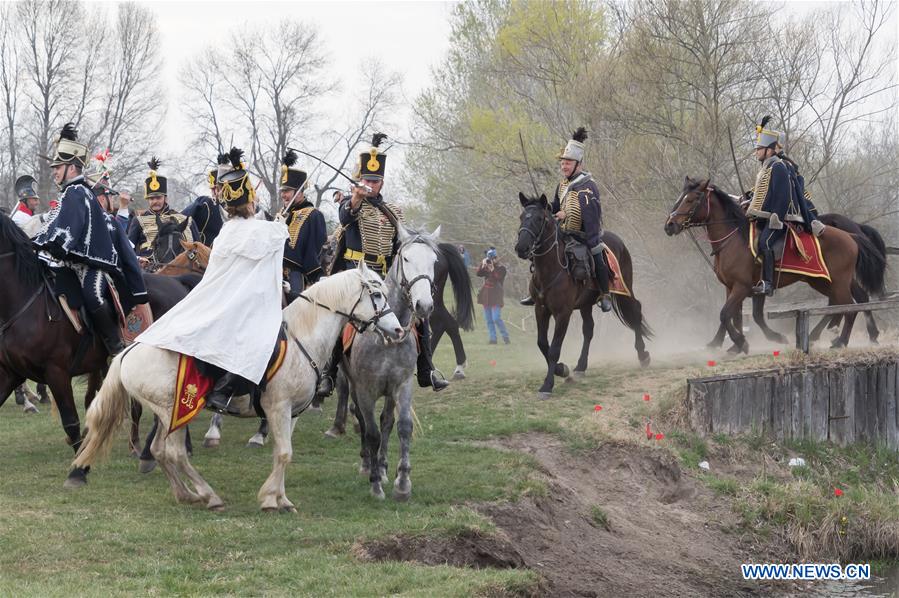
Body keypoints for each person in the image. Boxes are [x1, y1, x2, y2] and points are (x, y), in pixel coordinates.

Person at [136, 147, 289, 414]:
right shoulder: (262, 230)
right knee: (271, 338)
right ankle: (226, 389)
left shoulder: (227, 231)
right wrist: (279, 222)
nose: (156, 200)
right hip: (245, 302)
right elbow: (274, 237)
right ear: (250, 201)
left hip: (220, 298)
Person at [315, 132, 448, 397]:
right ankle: (329, 375)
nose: (371, 184)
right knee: (341, 320)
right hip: (355, 274)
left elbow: (401, 247)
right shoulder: (351, 204)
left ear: (381, 182)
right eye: (366, 180)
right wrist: (355, 198)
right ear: (359, 180)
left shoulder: (394, 212)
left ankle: (426, 368)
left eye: (375, 181)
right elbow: (344, 218)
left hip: (386, 276)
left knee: (419, 317)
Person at [33, 122, 148, 355]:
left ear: (73, 168)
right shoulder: (69, 193)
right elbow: (54, 224)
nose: (54, 171)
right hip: (70, 262)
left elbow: (69, 228)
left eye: (59, 166)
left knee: (93, 295)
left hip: (92, 264)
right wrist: (36, 243)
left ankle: (114, 345)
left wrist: (56, 244)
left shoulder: (78, 192)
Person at [520, 127, 611, 312]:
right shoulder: (562, 184)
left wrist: (567, 214)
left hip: (584, 234)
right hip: (563, 232)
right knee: (539, 250)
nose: (564, 166)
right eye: (562, 163)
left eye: (568, 163)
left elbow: (592, 214)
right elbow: (555, 204)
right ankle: (536, 290)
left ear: (579, 164)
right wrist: (543, 209)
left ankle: (605, 293)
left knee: (597, 253)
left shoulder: (588, 187)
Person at [746, 116, 822, 296]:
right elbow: (763, 193)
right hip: (767, 216)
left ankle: (768, 284)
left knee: (765, 242)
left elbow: (782, 196)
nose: (756, 152)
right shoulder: (766, 168)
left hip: (780, 218)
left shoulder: (778, 167)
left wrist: (775, 218)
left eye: (759, 148)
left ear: (769, 150)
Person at [278, 149, 326, 302]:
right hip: (274, 270)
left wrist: (314, 276)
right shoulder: (281, 214)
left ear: (299, 192)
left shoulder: (313, 215)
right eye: (282, 191)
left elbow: (314, 250)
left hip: (296, 274)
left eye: (287, 191)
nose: (283, 195)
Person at [127, 157, 199, 258]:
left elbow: (198, 247)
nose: (155, 201)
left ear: (165, 198)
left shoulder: (185, 219)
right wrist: (139, 259)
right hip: (148, 267)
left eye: (158, 197)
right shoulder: (138, 220)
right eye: (151, 198)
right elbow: (128, 248)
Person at [181, 153, 227, 246]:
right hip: (205, 256)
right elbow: (181, 218)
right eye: (212, 189)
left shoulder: (237, 208)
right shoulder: (205, 203)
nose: (214, 192)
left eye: (217, 188)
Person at [477, 247, 510, 345]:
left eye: (494, 258)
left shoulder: (501, 269)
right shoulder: (486, 266)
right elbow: (478, 274)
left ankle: (505, 336)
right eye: (491, 258)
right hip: (486, 295)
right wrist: (482, 265)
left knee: (496, 318)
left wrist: (492, 269)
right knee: (489, 320)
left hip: (496, 296)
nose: (493, 260)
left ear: (497, 258)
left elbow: (498, 278)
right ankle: (493, 339)